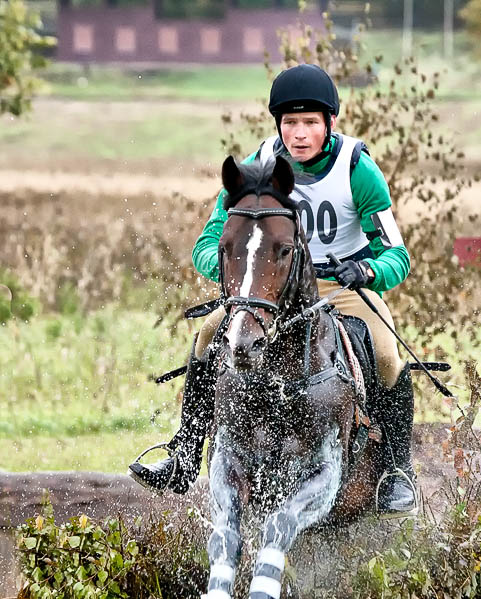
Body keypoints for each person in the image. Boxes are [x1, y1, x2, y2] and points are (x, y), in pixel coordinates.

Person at [129, 63, 417, 516]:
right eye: (290, 123)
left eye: (309, 123)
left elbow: (397, 256)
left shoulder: (358, 170)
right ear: (277, 125)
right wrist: (235, 279)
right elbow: (208, 244)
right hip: (265, 293)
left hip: (338, 285)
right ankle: (185, 452)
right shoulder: (258, 168)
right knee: (208, 332)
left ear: (330, 124)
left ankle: (397, 472)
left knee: (384, 351)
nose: (299, 134)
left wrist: (367, 271)